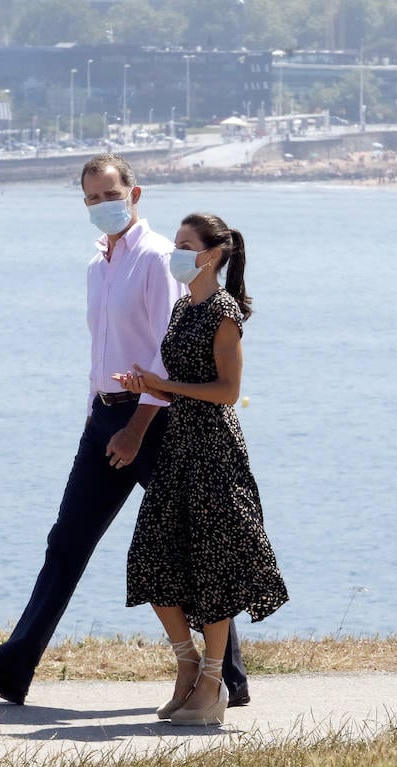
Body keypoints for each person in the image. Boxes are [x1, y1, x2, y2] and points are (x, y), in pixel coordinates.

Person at [0, 154, 251, 707]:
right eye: (90, 199)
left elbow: (172, 355)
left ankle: (228, 679)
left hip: (155, 421)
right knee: (66, 541)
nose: (100, 207)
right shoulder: (98, 265)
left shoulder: (161, 259)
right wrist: (95, 412)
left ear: (134, 195)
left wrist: (137, 425)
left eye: (109, 196)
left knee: (190, 545)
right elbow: (105, 347)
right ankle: (13, 670)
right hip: (104, 419)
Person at [115, 212, 288, 726]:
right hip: (178, 446)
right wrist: (144, 384)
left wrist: (164, 386)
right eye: (177, 244)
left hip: (213, 449)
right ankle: (187, 663)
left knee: (212, 565)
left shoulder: (224, 312)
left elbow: (227, 393)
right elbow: (174, 376)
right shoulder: (181, 308)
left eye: (186, 245)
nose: (176, 253)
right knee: (151, 557)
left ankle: (213, 683)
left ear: (210, 254)